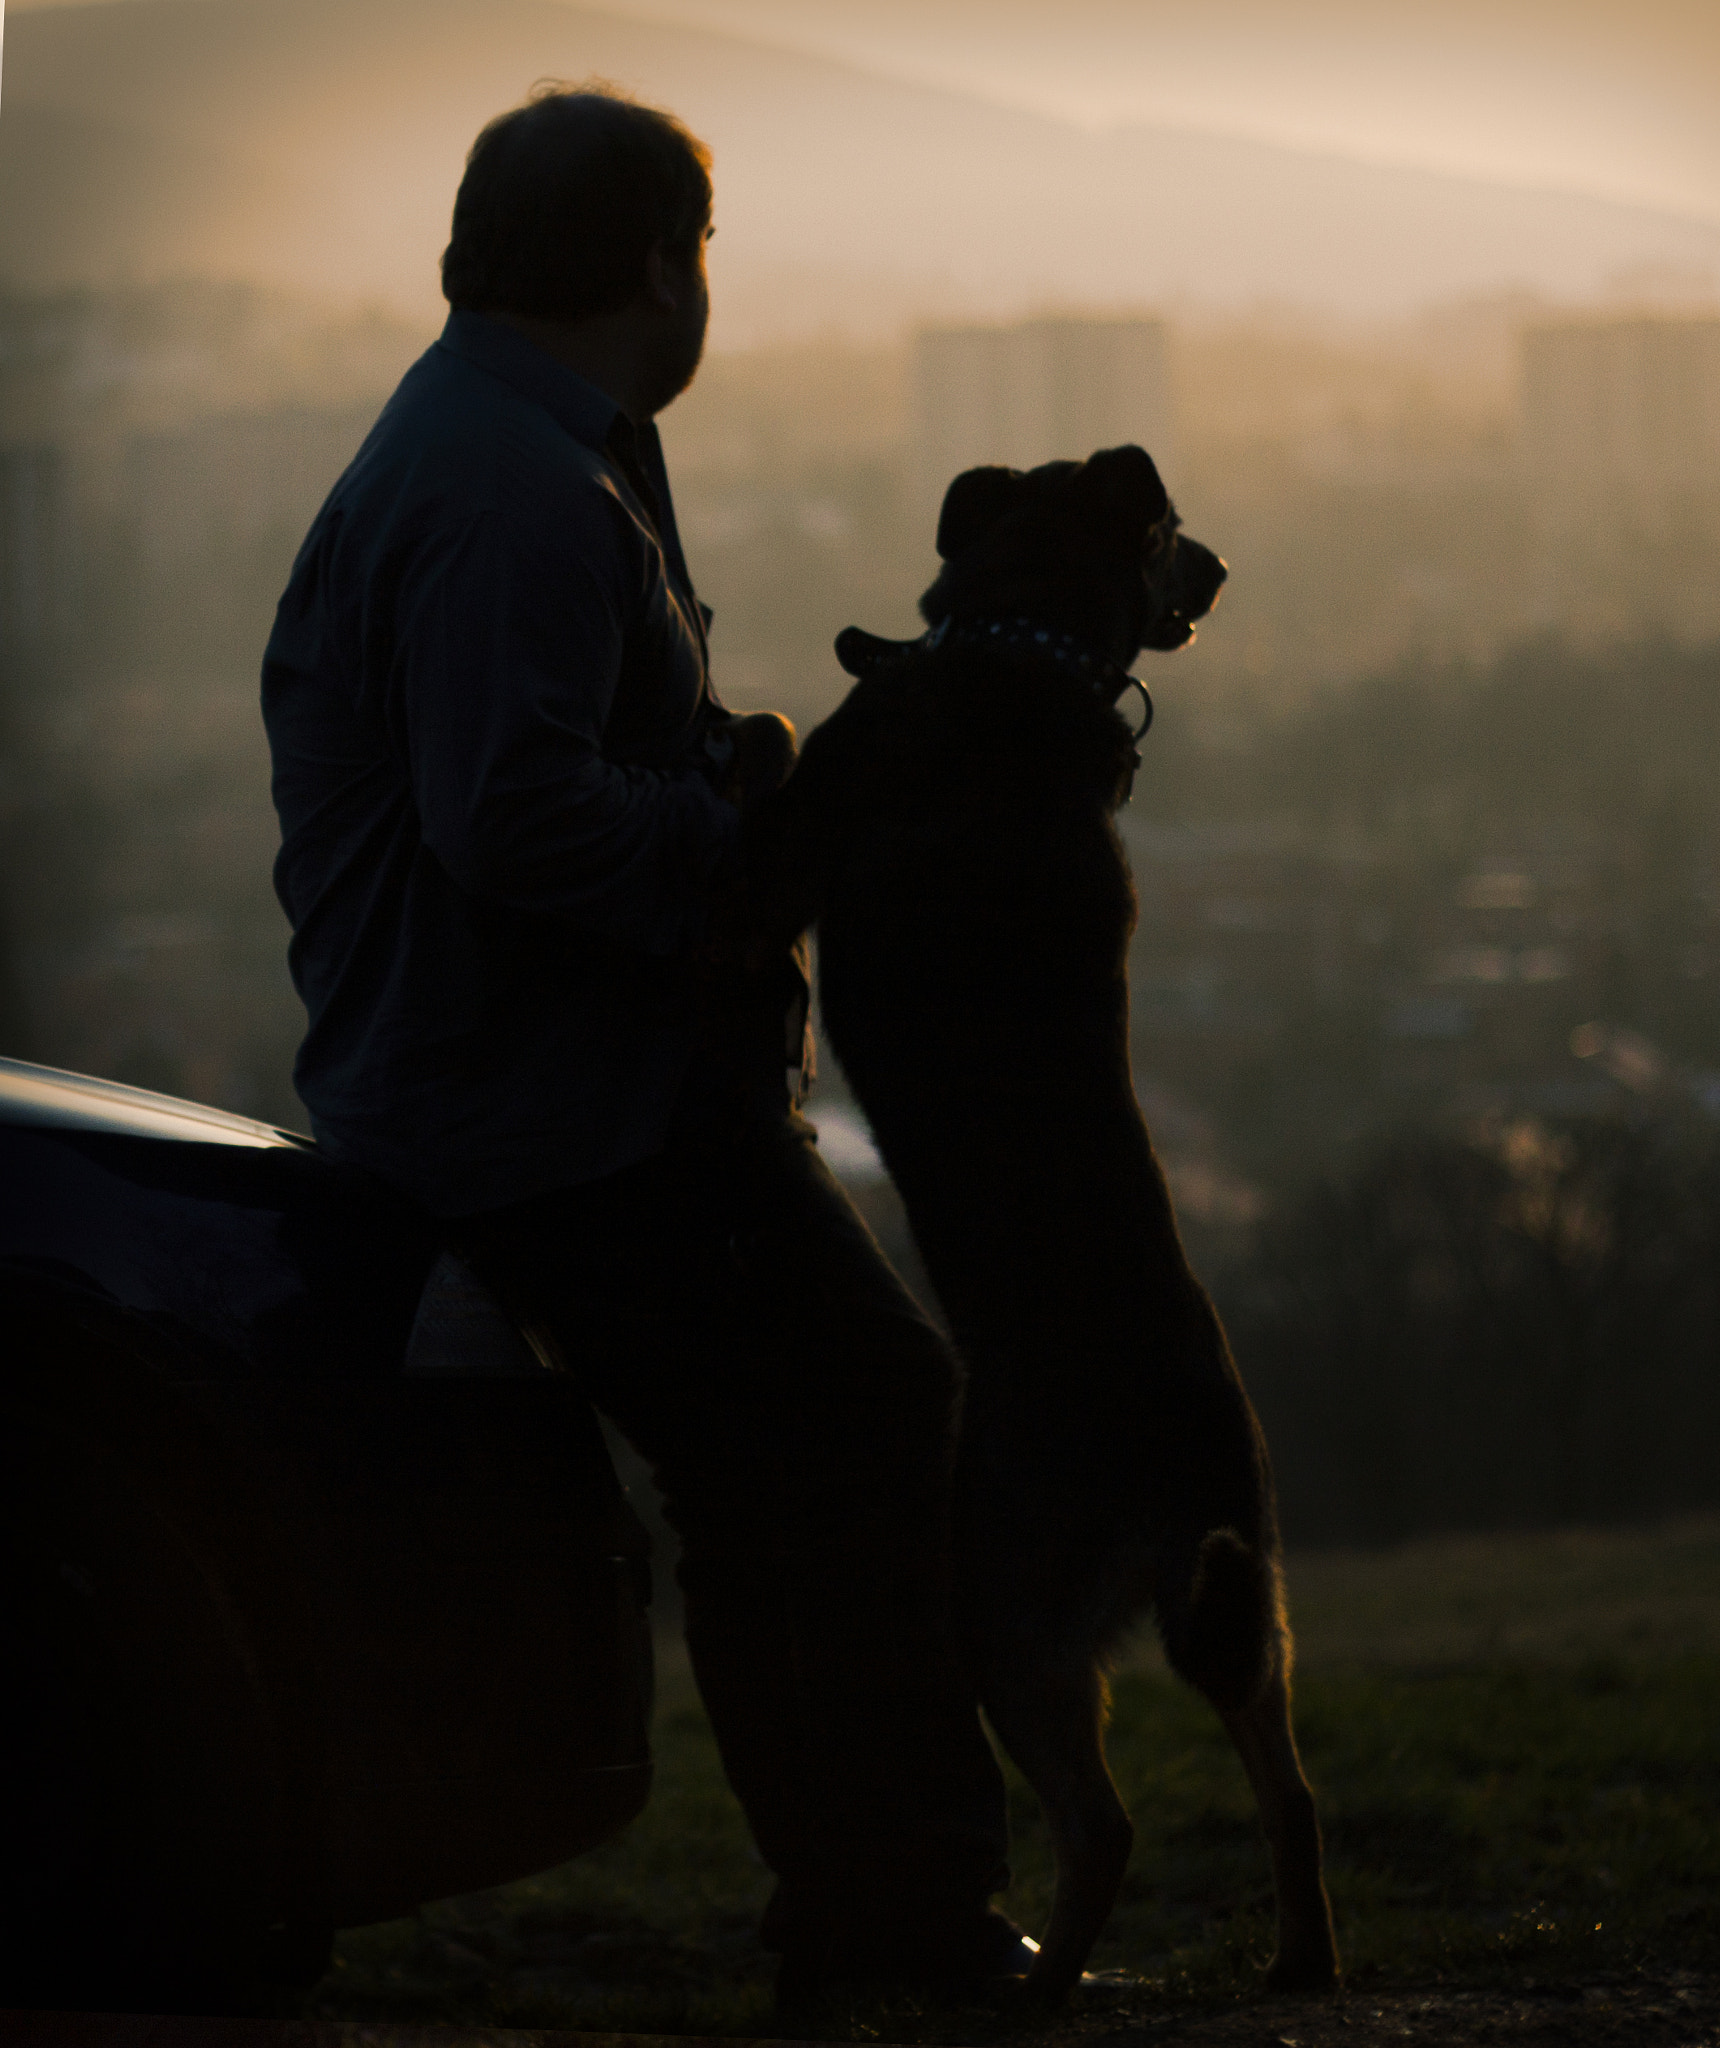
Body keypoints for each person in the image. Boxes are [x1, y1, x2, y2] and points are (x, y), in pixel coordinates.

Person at [259, 82, 1025, 2001]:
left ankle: (874, 1918)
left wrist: (717, 772)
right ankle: (892, 1926)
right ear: (657, 268)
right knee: (856, 1422)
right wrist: (751, 837)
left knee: (799, 1453)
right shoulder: (513, 489)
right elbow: (510, 820)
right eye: (703, 252)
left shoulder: (512, 445)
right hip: (561, 1114)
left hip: (547, 1087)